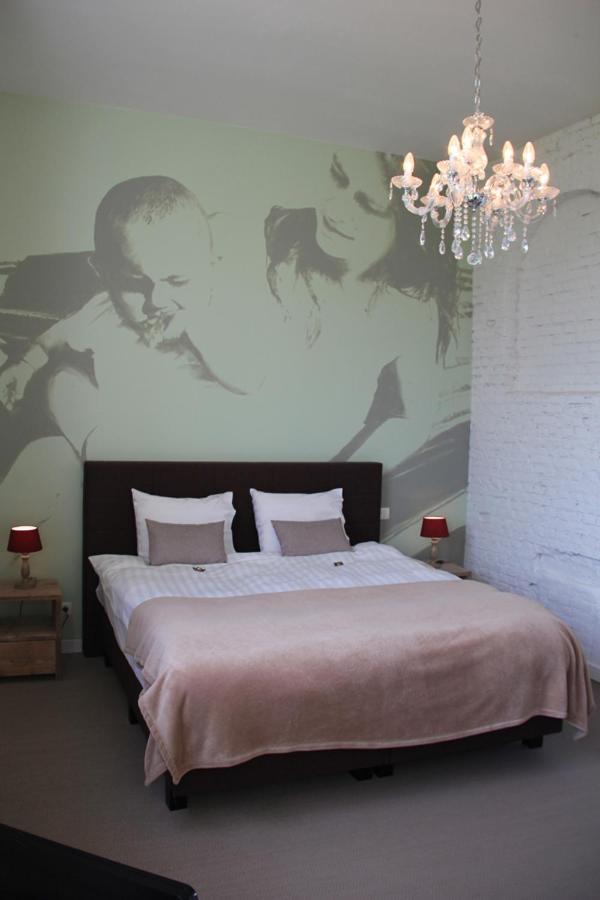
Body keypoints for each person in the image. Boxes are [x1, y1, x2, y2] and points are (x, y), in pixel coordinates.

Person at [0, 175, 245, 479]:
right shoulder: (105, 308)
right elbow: (56, 337)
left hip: (201, 449)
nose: (156, 300)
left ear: (212, 264)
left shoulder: (223, 314)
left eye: (178, 281)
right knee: (58, 390)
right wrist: (24, 366)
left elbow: (252, 379)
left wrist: (197, 327)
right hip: (118, 438)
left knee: (59, 387)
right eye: (134, 285)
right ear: (103, 275)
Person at [264, 150, 471, 476]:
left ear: (405, 229)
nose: (336, 209)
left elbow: (413, 420)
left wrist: (337, 480)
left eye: (369, 204)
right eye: (338, 177)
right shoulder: (276, 240)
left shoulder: (408, 309)